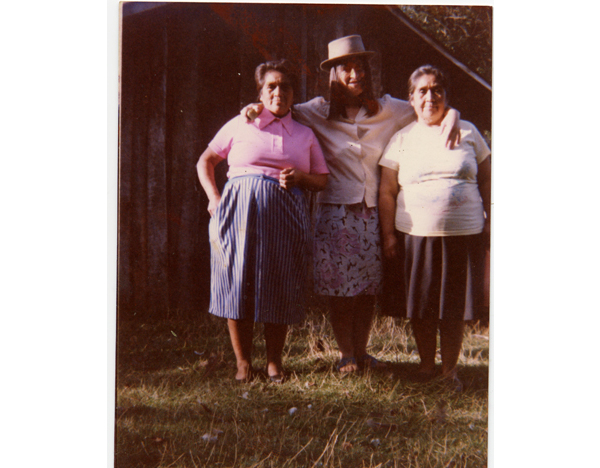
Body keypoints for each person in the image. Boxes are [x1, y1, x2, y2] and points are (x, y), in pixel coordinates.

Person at [243, 35, 460, 374]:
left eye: (360, 68)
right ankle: (346, 355)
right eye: (346, 69)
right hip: (336, 212)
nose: (355, 75)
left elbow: (427, 107)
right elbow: (278, 107)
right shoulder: (314, 112)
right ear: (334, 74)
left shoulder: (390, 109)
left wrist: (453, 115)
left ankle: (362, 352)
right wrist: (254, 108)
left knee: (367, 288)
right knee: (340, 289)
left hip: (373, 212)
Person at [196, 60, 329, 383]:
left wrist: (300, 177)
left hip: (285, 215)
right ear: (260, 92)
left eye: (285, 86)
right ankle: (243, 362)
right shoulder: (242, 124)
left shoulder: (304, 133)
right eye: (271, 86)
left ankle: (273, 362)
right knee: (236, 281)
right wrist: (215, 199)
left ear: (294, 93)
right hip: (238, 213)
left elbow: (322, 180)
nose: (278, 92)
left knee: (279, 283)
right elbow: (206, 161)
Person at [378, 65, 491, 391]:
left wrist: (492, 220)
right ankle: (427, 366)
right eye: (423, 91)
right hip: (416, 235)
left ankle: (449, 370)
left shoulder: (468, 131)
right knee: (423, 305)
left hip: (463, 233)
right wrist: (388, 235)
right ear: (411, 99)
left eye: (437, 89)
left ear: (446, 95)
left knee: (453, 307)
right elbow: (387, 190)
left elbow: (487, 178)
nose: (431, 96)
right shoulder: (402, 138)